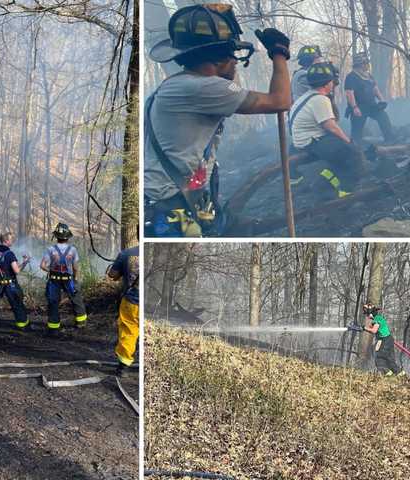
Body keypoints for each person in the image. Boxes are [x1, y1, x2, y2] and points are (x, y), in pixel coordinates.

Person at [144, 3, 291, 237]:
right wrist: (280, 54)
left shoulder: (180, 85)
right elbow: (280, 101)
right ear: (219, 59)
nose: (235, 62)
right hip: (172, 211)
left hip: (179, 201)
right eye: (232, 55)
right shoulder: (204, 87)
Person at [289, 61, 365, 198]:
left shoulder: (308, 96)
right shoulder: (319, 99)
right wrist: (348, 141)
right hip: (311, 141)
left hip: (306, 138)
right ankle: (346, 193)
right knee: (353, 155)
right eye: (332, 81)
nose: (333, 83)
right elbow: (331, 127)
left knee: (339, 158)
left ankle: (322, 184)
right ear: (326, 83)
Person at [40, 223, 87, 334]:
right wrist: (76, 278)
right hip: (69, 279)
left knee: (53, 301)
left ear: (56, 236)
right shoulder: (73, 250)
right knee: (76, 299)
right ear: (68, 237)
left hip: (54, 279)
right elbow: (75, 267)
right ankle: (81, 323)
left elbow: (42, 265)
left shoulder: (50, 249)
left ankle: (53, 327)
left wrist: (50, 271)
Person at [344, 52, 396, 145]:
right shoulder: (351, 77)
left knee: (383, 117)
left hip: (372, 106)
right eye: (365, 63)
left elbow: (375, 89)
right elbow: (349, 93)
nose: (367, 65)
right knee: (357, 130)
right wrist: (354, 107)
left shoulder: (369, 76)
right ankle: (356, 147)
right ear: (360, 64)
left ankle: (389, 140)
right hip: (359, 107)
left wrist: (382, 100)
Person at [107, 244, 139, 375]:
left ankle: (123, 365)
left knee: (129, 329)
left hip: (132, 300)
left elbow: (112, 274)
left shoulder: (126, 254)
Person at [362, 303, 405, 377]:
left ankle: (387, 372)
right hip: (388, 339)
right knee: (389, 358)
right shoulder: (378, 318)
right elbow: (373, 328)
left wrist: (364, 328)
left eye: (367, 313)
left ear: (371, 313)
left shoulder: (377, 319)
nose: (367, 316)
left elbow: (374, 331)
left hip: (385, 340)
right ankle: (399, 373)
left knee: (379, 356)